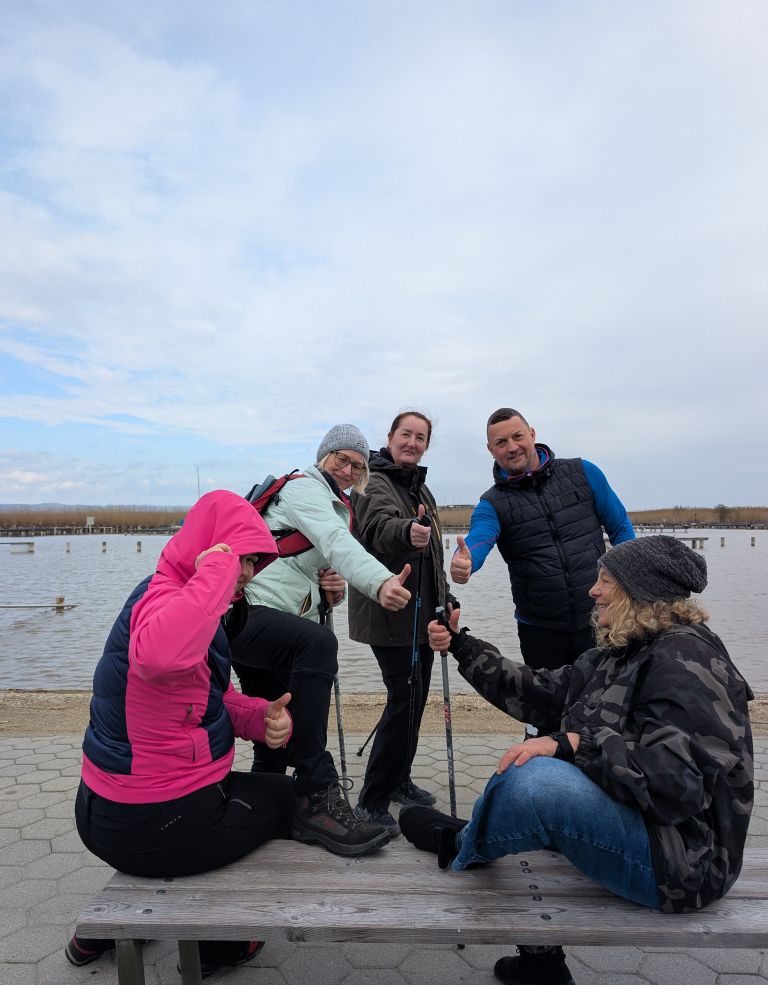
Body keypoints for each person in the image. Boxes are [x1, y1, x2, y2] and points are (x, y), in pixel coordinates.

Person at [403, 536, 753, 985]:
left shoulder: (684, 659)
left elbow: (677, 786)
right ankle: (541, 961)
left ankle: (461, 844)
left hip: (686, 860)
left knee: (539, 782)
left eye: (605, 581)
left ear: (639, 592)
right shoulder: (624, 650)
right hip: (649, 826)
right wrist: (460, 645)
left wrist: (574, 744)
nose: (593, 591)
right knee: (538, 766)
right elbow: (540, 691)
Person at [67, 490, 297, 979]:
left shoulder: (162, 594)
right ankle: (220, 943)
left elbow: (199, 702)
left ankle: (101, 932)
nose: (249, 574)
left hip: (106, 814)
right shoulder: (177, 600)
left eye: (255, 563)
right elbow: (159, 657)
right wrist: (217, 571)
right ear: (212, 550)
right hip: (152, 820)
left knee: (244, 806)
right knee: (287, 803)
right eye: (245, 560)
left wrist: (260, 717)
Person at [230, 423, 412, 857]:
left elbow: (303, 566)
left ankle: (271, 814)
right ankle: (317, 792)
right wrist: (380, 581)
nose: (349, 469)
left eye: (358, 464)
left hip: (257, 615)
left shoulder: (336, 501)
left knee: (273, 720)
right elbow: (335, 543)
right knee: (317, 645)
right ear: (323, 457)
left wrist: (333, 589)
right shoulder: (304, 489)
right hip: (248, 612)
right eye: (341, 459)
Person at [450, 407, 635, 671]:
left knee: (608, 703)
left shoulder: (584, 472)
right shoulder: (491, 504)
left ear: (532, 434)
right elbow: (476, 543)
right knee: (550, 709)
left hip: (601, 617)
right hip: (539, 630)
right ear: (491, 450)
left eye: (517, 437)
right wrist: (465, 563)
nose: (512, 447)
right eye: (501, 443)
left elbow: (622, 530)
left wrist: (629, 583)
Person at [346, 410, 459, 835]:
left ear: (427, 444)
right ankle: (371, 800)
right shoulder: (373, 480)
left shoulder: (419, 487)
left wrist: (446, 601)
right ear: (390, 438)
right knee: (403, 703)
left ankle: (399, 780)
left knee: (413, 701)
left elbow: (433, 558)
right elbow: (377, 527)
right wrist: (406, 530)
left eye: (421, 437)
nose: (412, 442)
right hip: (390, 613)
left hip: (421, 616)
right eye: (405, 434)